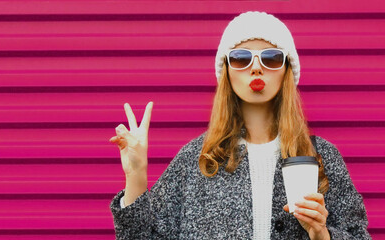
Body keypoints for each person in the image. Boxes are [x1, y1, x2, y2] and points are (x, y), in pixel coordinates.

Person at [108, 11, 371, 240]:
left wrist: (322, 235)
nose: (256, 68)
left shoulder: (321, 158)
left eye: (270, 57)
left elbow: (358, 234)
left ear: (286, 70)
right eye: (241, 58)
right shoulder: (196, 160)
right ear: (227, 71)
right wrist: (136, 176)